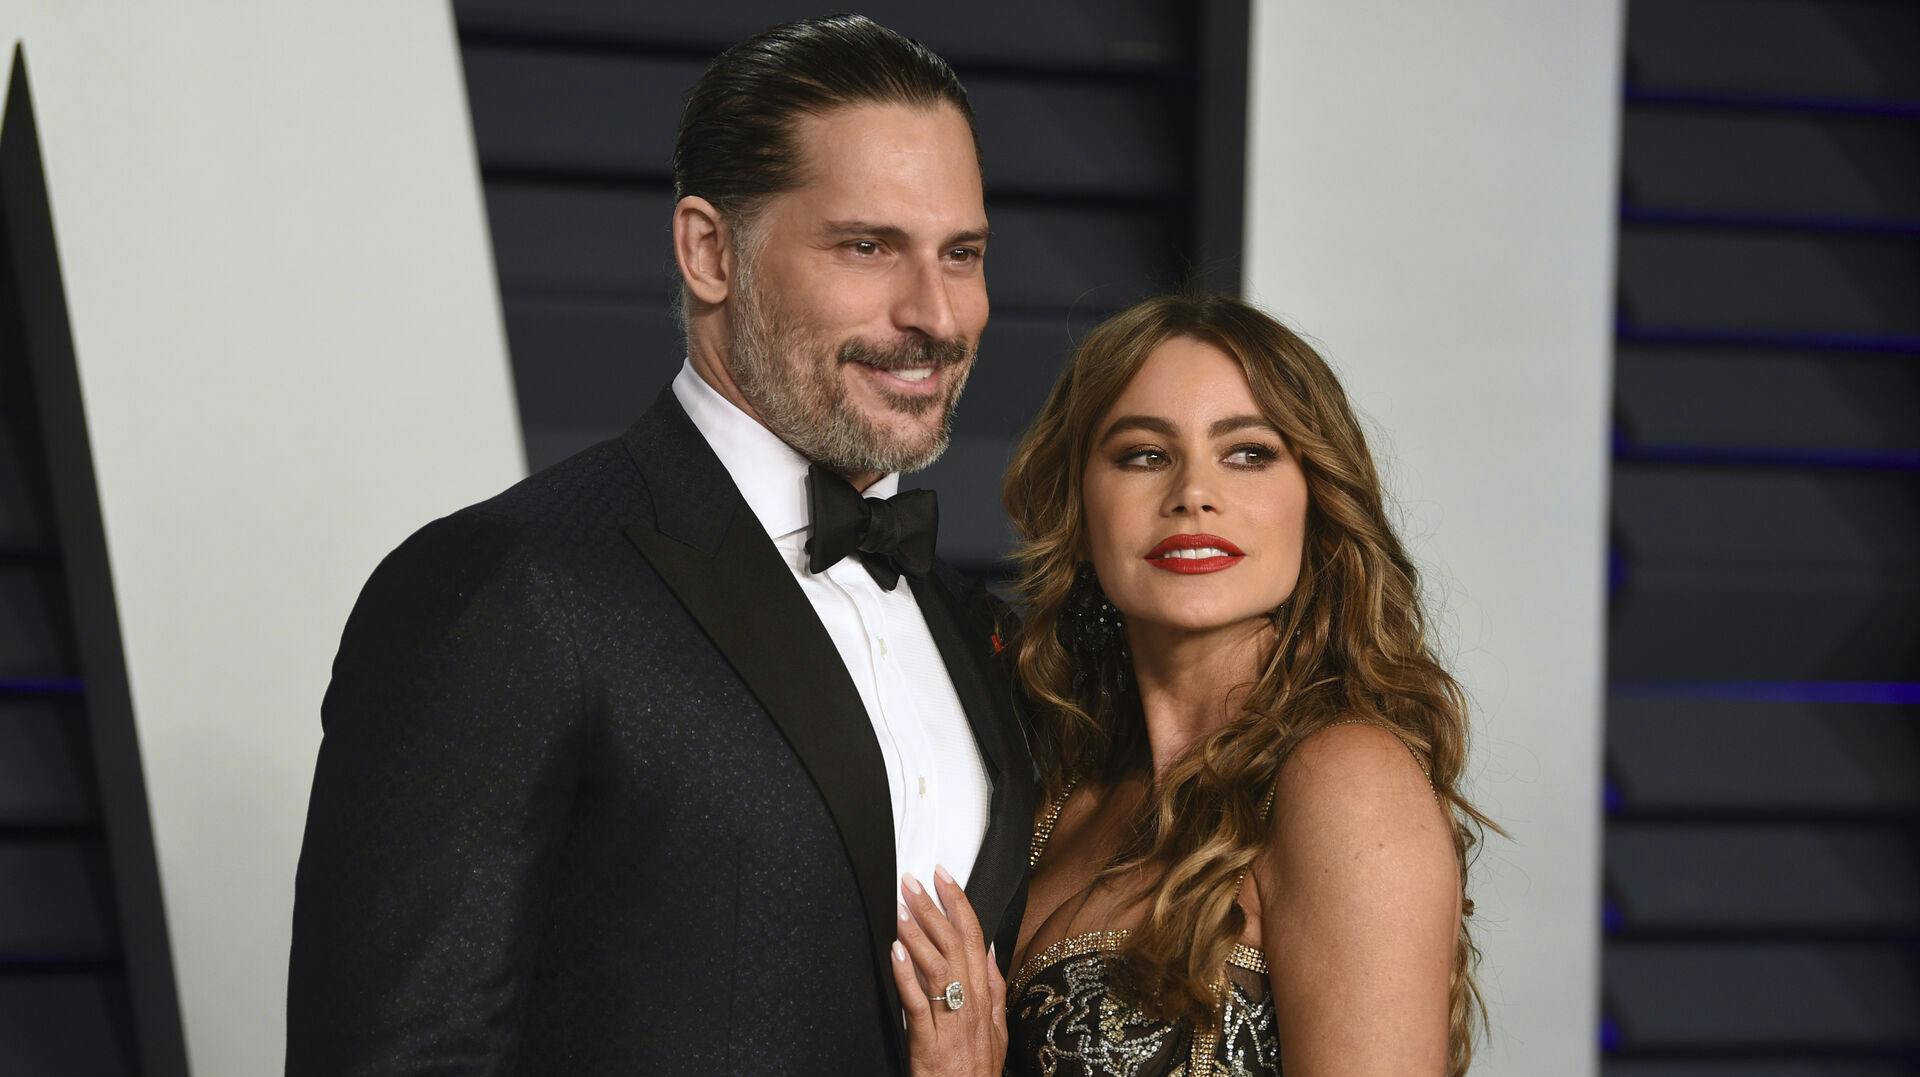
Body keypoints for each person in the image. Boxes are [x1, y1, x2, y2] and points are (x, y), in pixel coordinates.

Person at [286, 16, 1035, 1075]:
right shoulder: (508, 589)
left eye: (962, 254)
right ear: (709, 250)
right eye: (867, 247)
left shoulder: (979, 633)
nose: (934, 314)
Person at [891, 293, 1493, 1075]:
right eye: (1144, 453)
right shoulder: (1055, 793)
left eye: (1248, 452)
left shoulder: (1345, 779)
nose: (1193, 494)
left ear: (1316, 499)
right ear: (1082, 505)